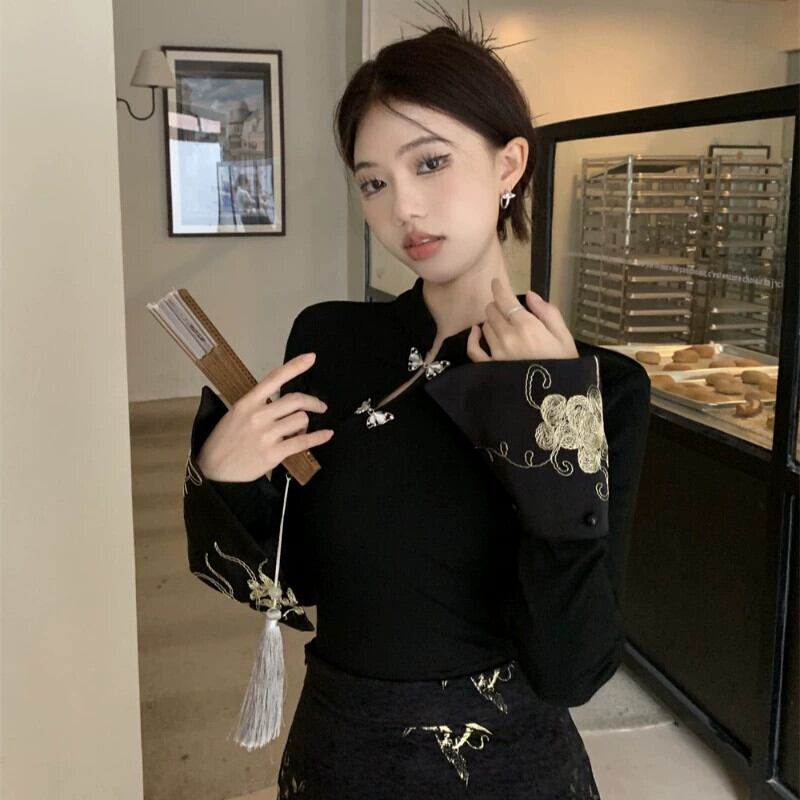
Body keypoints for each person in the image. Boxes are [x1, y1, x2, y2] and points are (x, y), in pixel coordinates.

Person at [182, 6, 651, 798]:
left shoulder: (601, 387)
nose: (402, 207)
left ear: (508, 164)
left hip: (512, 767)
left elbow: (572, 668)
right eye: (374, 182)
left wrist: (551, 428)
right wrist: (228, 478)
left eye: (430, 163)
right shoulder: (332, 342)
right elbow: (295, 585)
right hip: (343, 751)